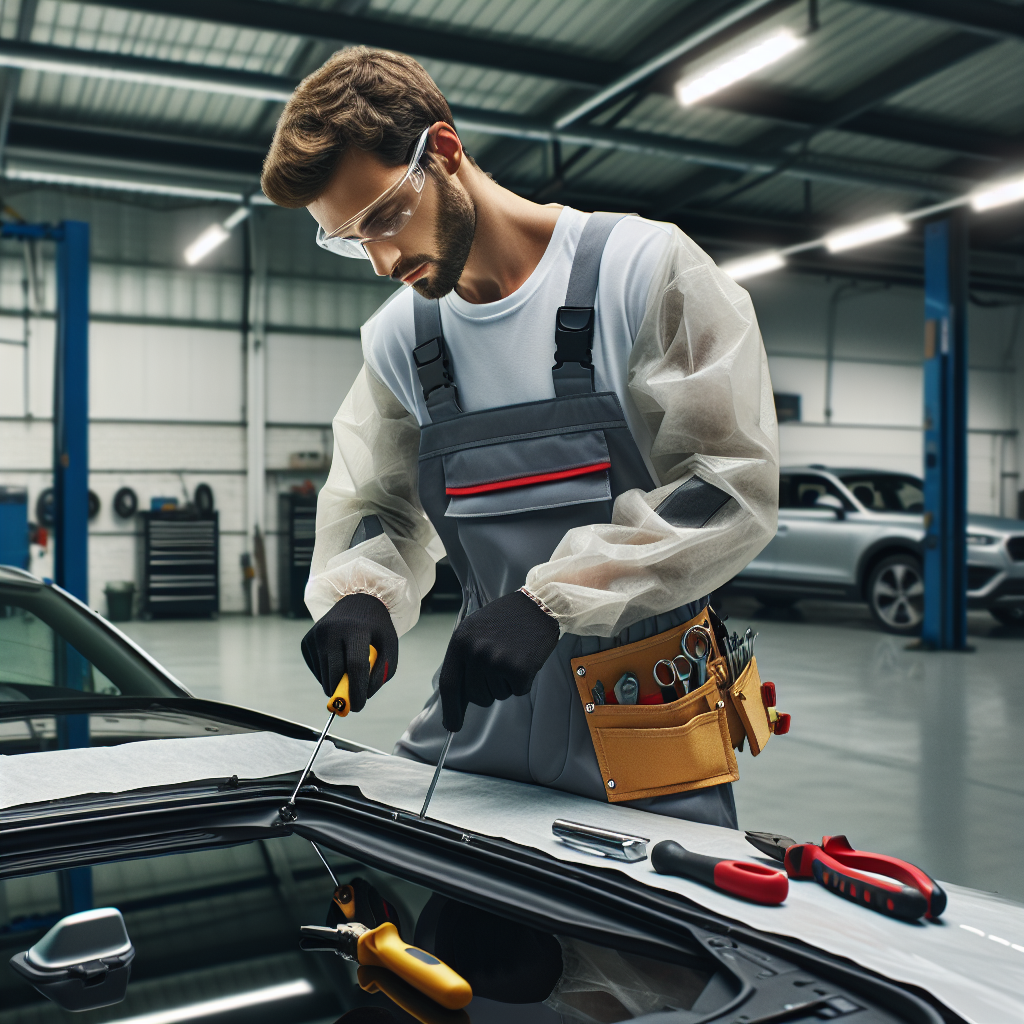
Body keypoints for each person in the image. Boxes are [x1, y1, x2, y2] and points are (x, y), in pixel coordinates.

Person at [262, 47, 779, 828]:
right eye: (350, 240)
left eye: (385, 217)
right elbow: (378, 506)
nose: (380, 259)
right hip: (477, 724)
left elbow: (727, 483)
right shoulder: (403, 339)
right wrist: (361, 595)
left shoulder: (643, 273)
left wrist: (554, 601)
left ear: (443, 152)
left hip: (647, 731)